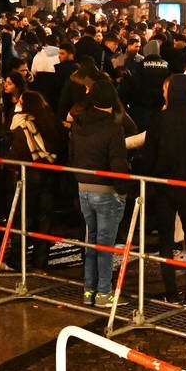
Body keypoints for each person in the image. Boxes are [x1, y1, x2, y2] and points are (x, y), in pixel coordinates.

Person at [141, 74, 186, 308]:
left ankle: (170, 292)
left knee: (165, 240)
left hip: (163, 188)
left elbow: (148, 156)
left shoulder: (158, 120)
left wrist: (152, 182)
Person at [68, 79, 130, 307]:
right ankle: (104, 293)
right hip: (106, 190)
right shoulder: (113, 128)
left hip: (83, 187)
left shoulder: (79, 123)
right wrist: (123, 191)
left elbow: (72, 154)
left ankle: (88, 291)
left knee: (91, 240)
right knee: (105, 245)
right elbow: (118, 164)